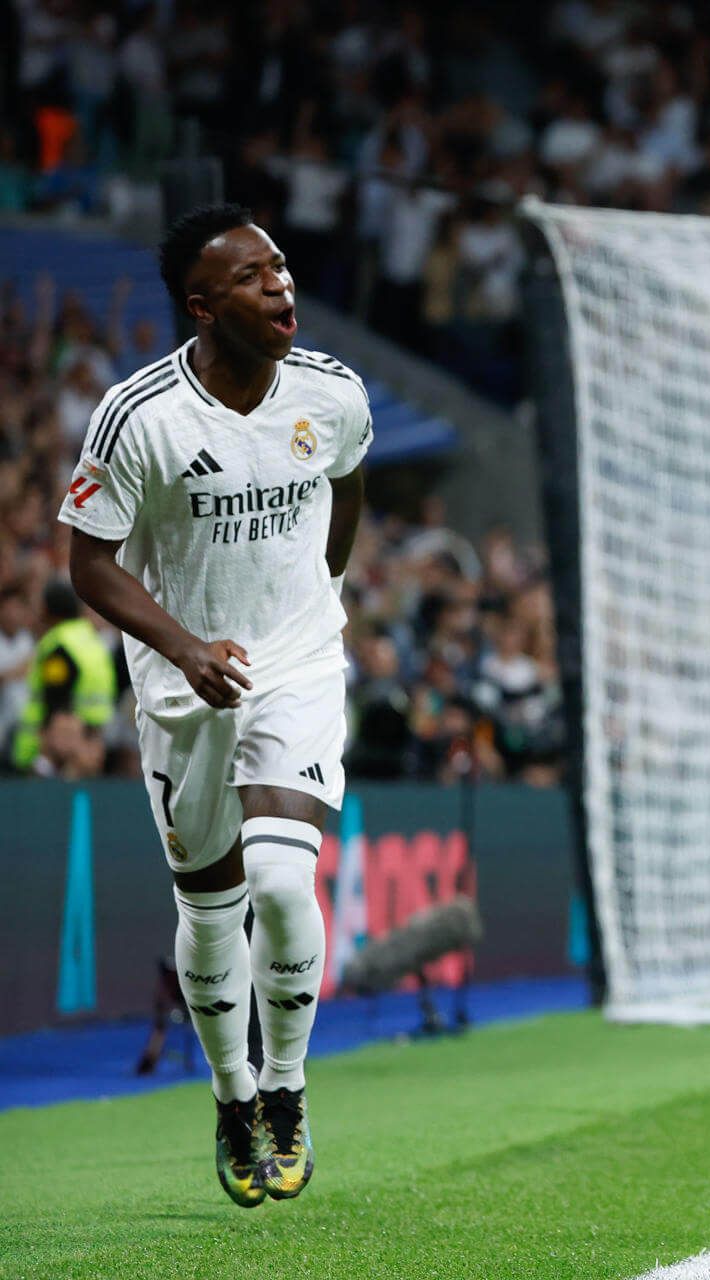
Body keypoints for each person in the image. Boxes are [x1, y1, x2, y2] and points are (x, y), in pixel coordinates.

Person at [60, 203, 369, 1208]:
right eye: (251, 276)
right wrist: (186, 647)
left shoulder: (333, 393)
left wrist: (305, 617)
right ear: (202, 305)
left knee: (284, 884)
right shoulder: (139, 415)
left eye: (280, 266)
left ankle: (285, 1084)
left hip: (296, 664)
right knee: (209, 904)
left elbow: (347, 486)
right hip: (180, 686)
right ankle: (232, 1091)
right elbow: (89, 562)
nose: (280, 284)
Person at [8, 578, 116, 772]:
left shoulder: (59, 644)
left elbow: (55, 700)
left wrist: (44, 757)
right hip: (92, 739)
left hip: (57, 750)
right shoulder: (92, 640)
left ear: (49, 609)